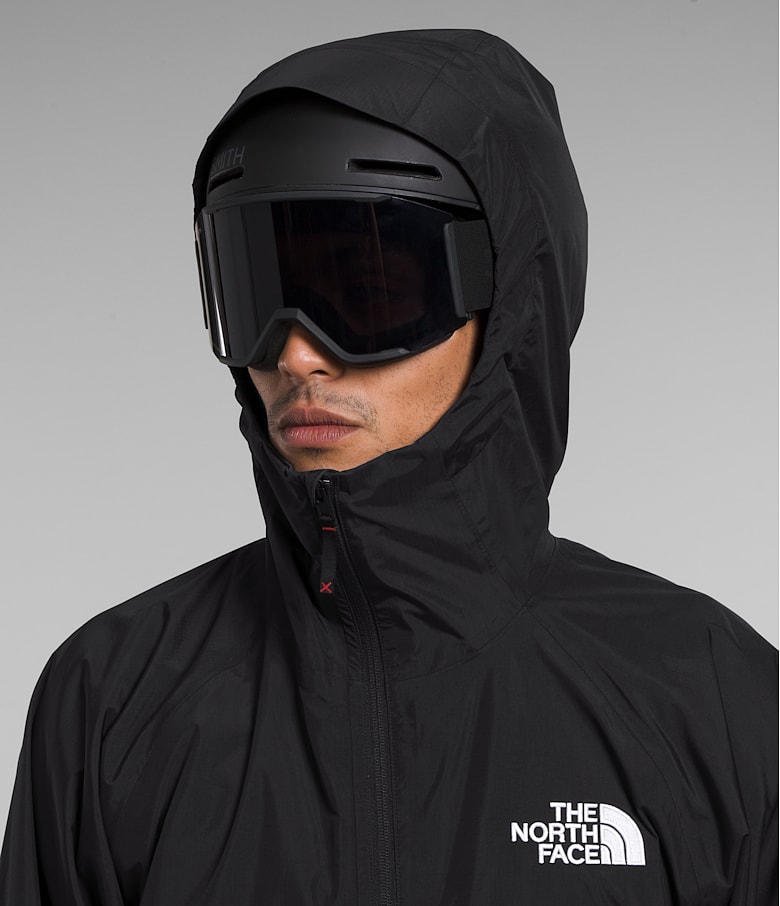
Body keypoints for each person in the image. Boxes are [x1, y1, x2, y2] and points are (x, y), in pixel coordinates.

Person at [0, 28, 776, 906]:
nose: (295, 355)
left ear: (510, 306)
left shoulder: (714, 700)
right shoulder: (112, 699)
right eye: (258, 297)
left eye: (365, 292)